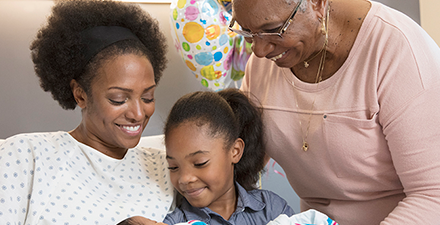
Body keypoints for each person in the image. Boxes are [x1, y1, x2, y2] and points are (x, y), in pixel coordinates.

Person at [229, 0, 440, 224]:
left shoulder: (398, 50)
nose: (259, 51)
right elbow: (239, 160)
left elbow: (433, 196)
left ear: (317, 4)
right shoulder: (269, 59)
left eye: (273, 30)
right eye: (247, 32)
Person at [0, 0, 174, 224]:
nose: (138, 114)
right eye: (118, 99)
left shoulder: (170, 166)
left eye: (147, 97)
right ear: (80, 94)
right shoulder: (26, 156)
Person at [162, 89, 295, 224]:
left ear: (235, 151)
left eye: (199, 163)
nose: (185, 179)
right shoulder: (173, 222)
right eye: (173, 167)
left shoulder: (272, 209)